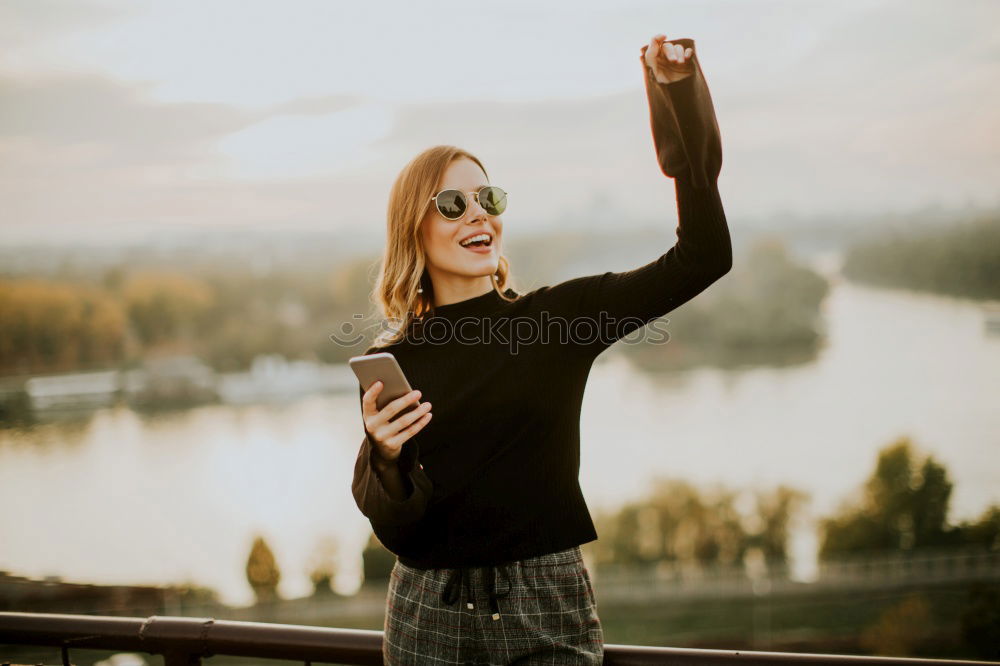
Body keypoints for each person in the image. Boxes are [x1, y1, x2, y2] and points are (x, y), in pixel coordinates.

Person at [351, 33, 731, 665]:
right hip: (425, 609)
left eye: (488, 198)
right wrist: (385, 458)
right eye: (453, 203)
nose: (479, 214)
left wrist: (675, 97)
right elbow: (397, 529)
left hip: (541, 602)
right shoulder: (394, 361)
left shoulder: (558, 319)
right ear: (413, 227)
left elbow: (705, 257)